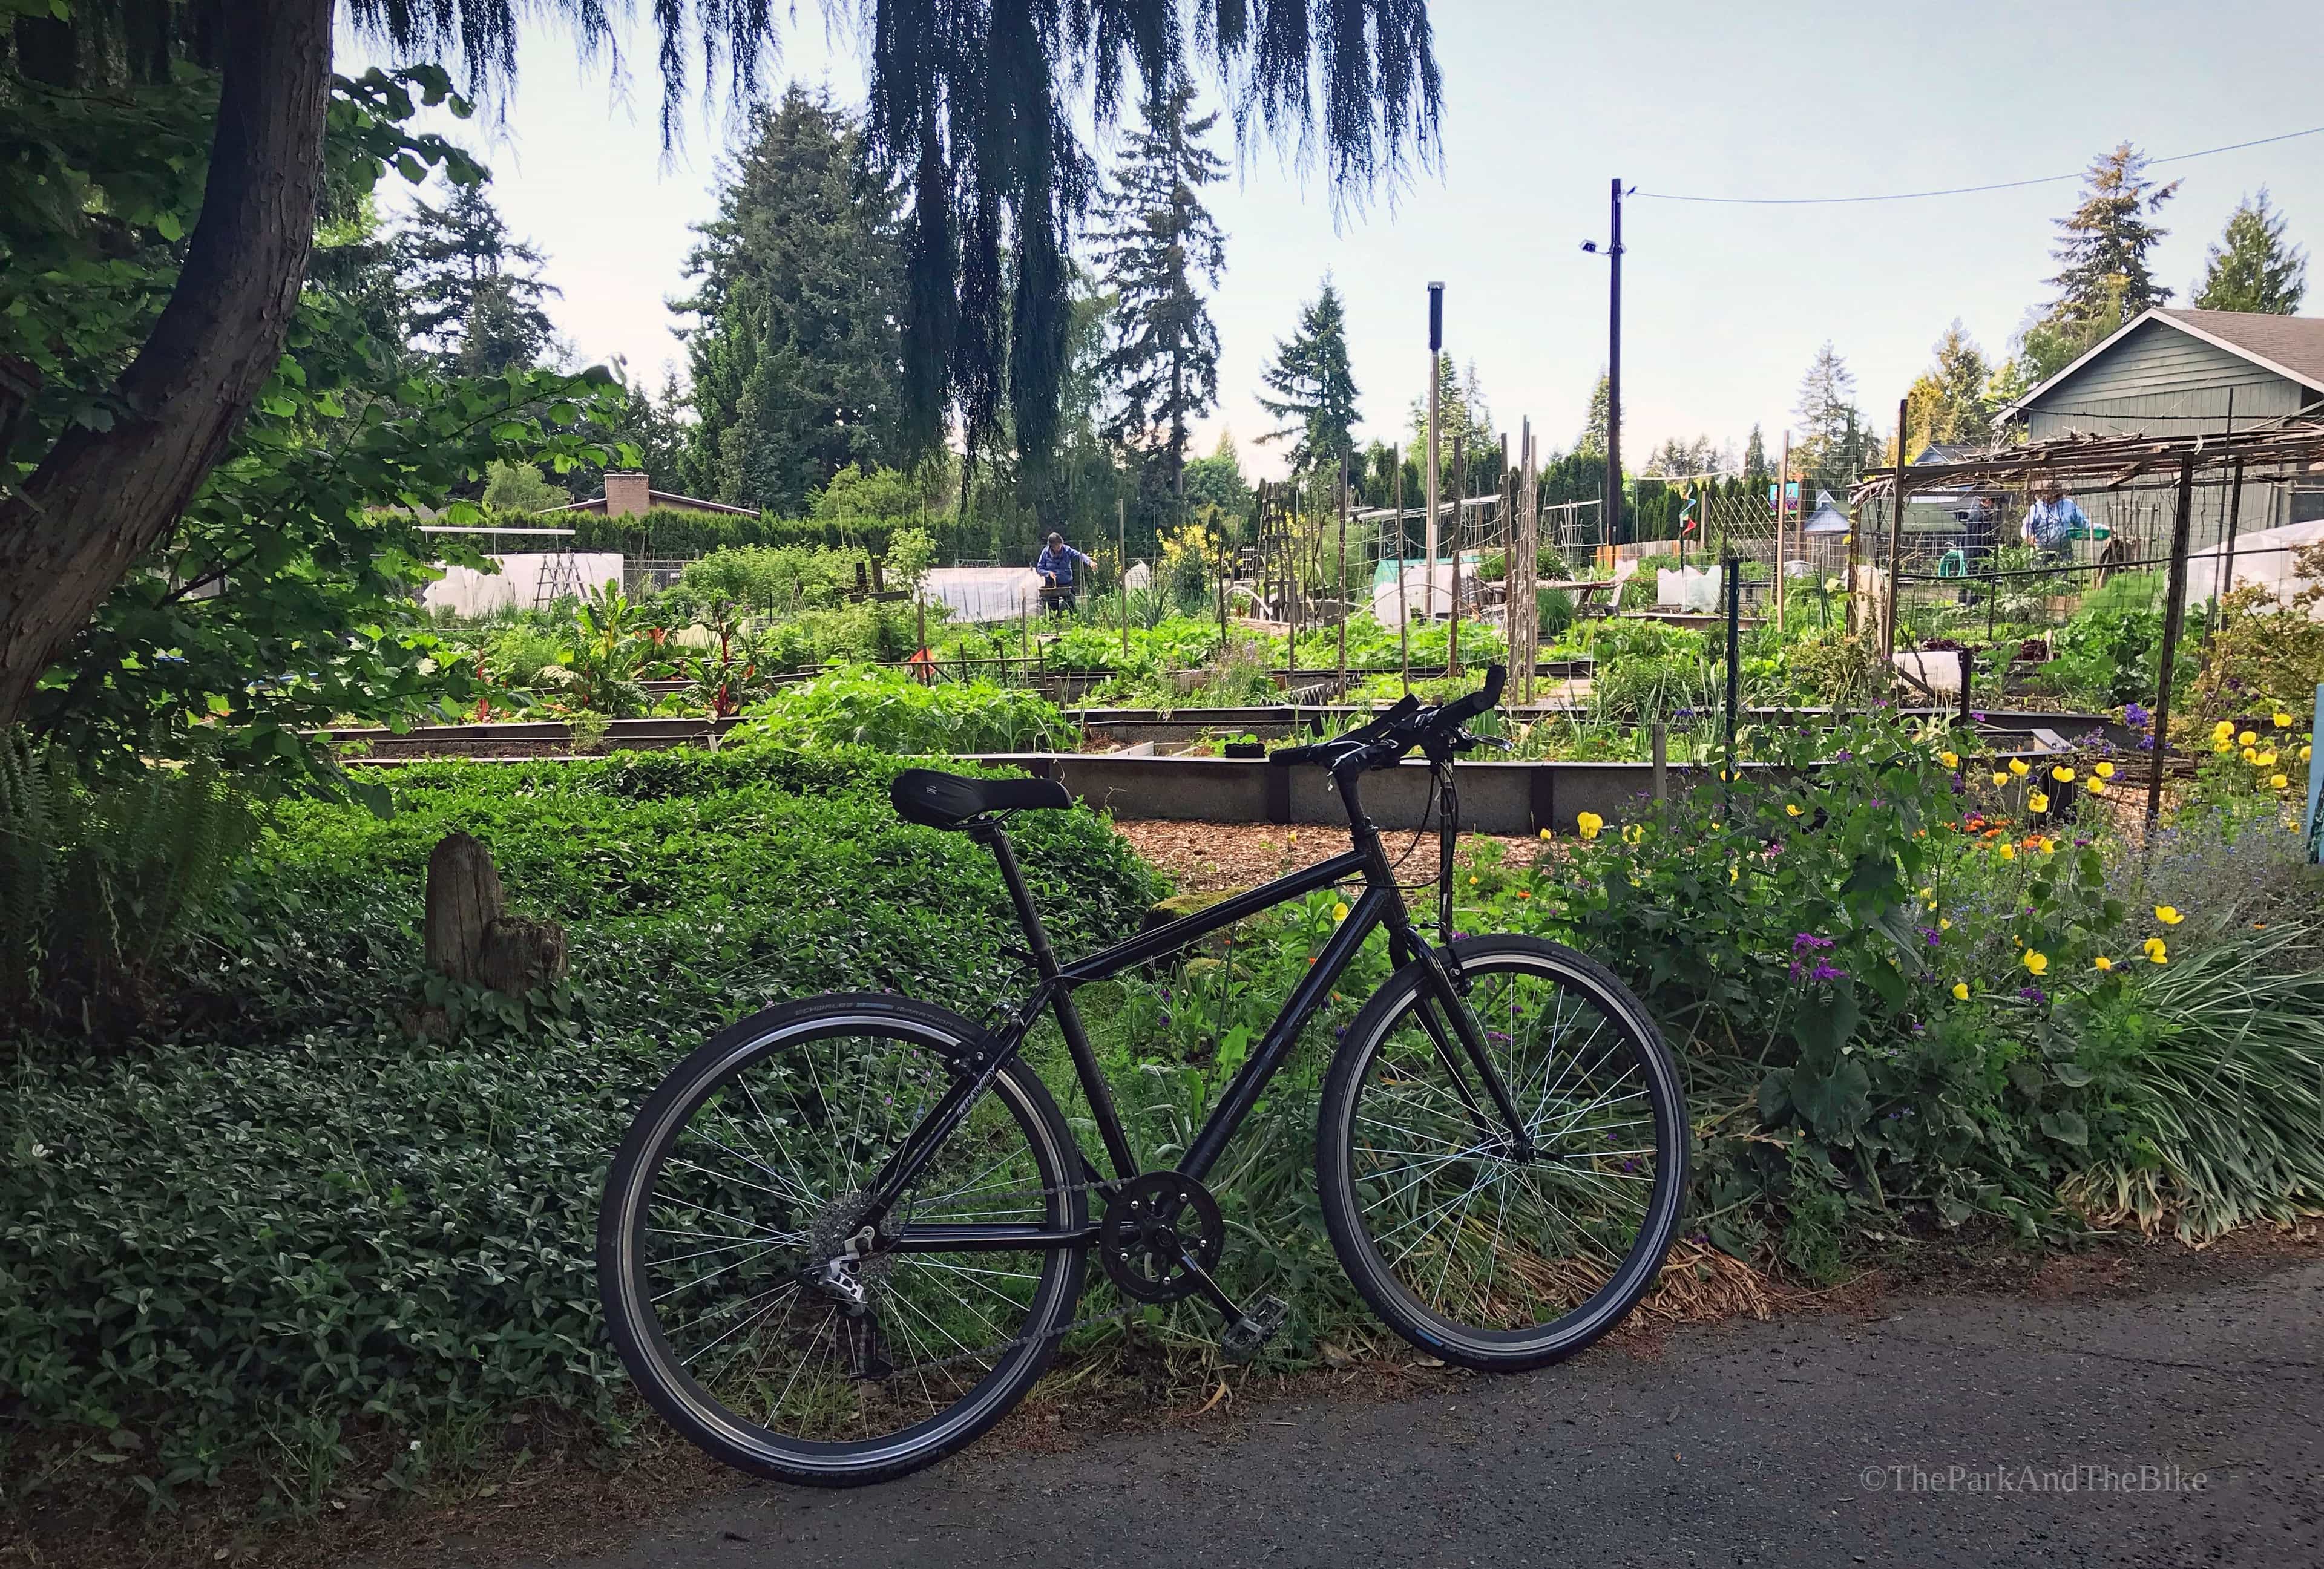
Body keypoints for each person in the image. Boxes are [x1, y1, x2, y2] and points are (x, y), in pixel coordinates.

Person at [2020, 479, 2089, 563]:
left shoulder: (2068, 505)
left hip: (2064, 553)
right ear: (2041, 494)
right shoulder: (2036, 508)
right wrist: (2028, 536)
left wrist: (2105, 529)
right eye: (2047, 493)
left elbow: (2084, 523)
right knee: (2041, 576)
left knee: (2061, 576)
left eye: (2054, 494)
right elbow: (2027, 526)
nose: (2050, 497)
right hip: (2042, 554)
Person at [1032, 531, 1095, 615]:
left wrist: (1089, 562)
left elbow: (1080, 555)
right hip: (1052, 585)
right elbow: (1040, 568)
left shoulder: (1067, 550)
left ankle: (1074, 623)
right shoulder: (1045, 553)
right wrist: (1048, 573)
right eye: (1056, 546)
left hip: (1067, 584)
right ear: (1051, 546)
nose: (1059, 547)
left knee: (1072, 607)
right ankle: (1055, 624)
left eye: (1060, 545)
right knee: (1053, 610)